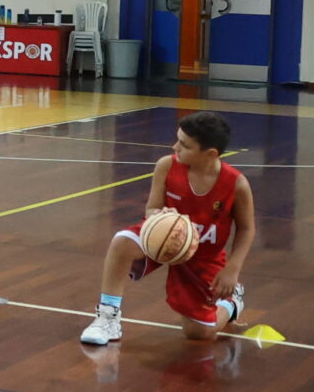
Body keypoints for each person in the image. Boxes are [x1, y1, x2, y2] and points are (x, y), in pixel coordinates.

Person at [79, 112, 254, 349]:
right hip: (161, 236)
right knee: (123, 241)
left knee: (200, 333)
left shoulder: (236, 183)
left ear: (210, 153)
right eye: (177, 139)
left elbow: (246, 229)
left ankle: (232, 302)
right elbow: (152, 208)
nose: (175, 147)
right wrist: (161, 218)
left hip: (203, 255)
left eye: (184, 144)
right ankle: (108, 318)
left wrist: (232, 269)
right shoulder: (167, 165)